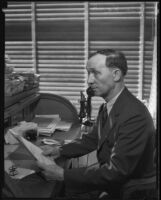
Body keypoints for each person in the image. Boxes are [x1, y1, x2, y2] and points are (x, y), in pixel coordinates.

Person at [2, 49, 156, 199]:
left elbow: (116, 171)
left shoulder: (134, 115)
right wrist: (60, 150)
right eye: (88, 73)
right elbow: (93, 140)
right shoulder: (109, 105)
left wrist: (62, 174)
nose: (89, 80)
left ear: (116, 74)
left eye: (95, 73)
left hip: (130, 192)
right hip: (112, 183)